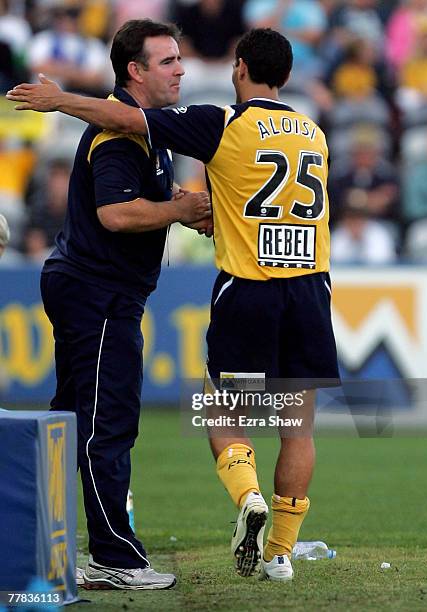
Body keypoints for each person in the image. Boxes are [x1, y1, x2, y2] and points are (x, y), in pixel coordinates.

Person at [7, 27, 339, 583]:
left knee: (218, 413)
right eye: (170, 61)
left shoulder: (223, 122)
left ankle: (247, 499)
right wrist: (189, 209)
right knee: (295, 424)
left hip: (247, 288)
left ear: (238, 69)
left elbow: (129, 122)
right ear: (285, 75)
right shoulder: (314, 133)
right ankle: (281, 552)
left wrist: (59, 98)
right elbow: (134, 174)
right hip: (310, 289)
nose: (182, 71)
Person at [8, 19, 211, 591]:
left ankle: (43, 543)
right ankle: (115, 558)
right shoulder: (119, 135)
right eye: (167, 61)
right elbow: (116, 214)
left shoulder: (143, 131)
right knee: (106, 424)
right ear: (135, 71)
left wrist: (180, 203)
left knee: (72, 423)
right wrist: (178, 211)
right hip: (98, 292)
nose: (180, 69)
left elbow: (137, 197)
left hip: (94, 288)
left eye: (179, 58)